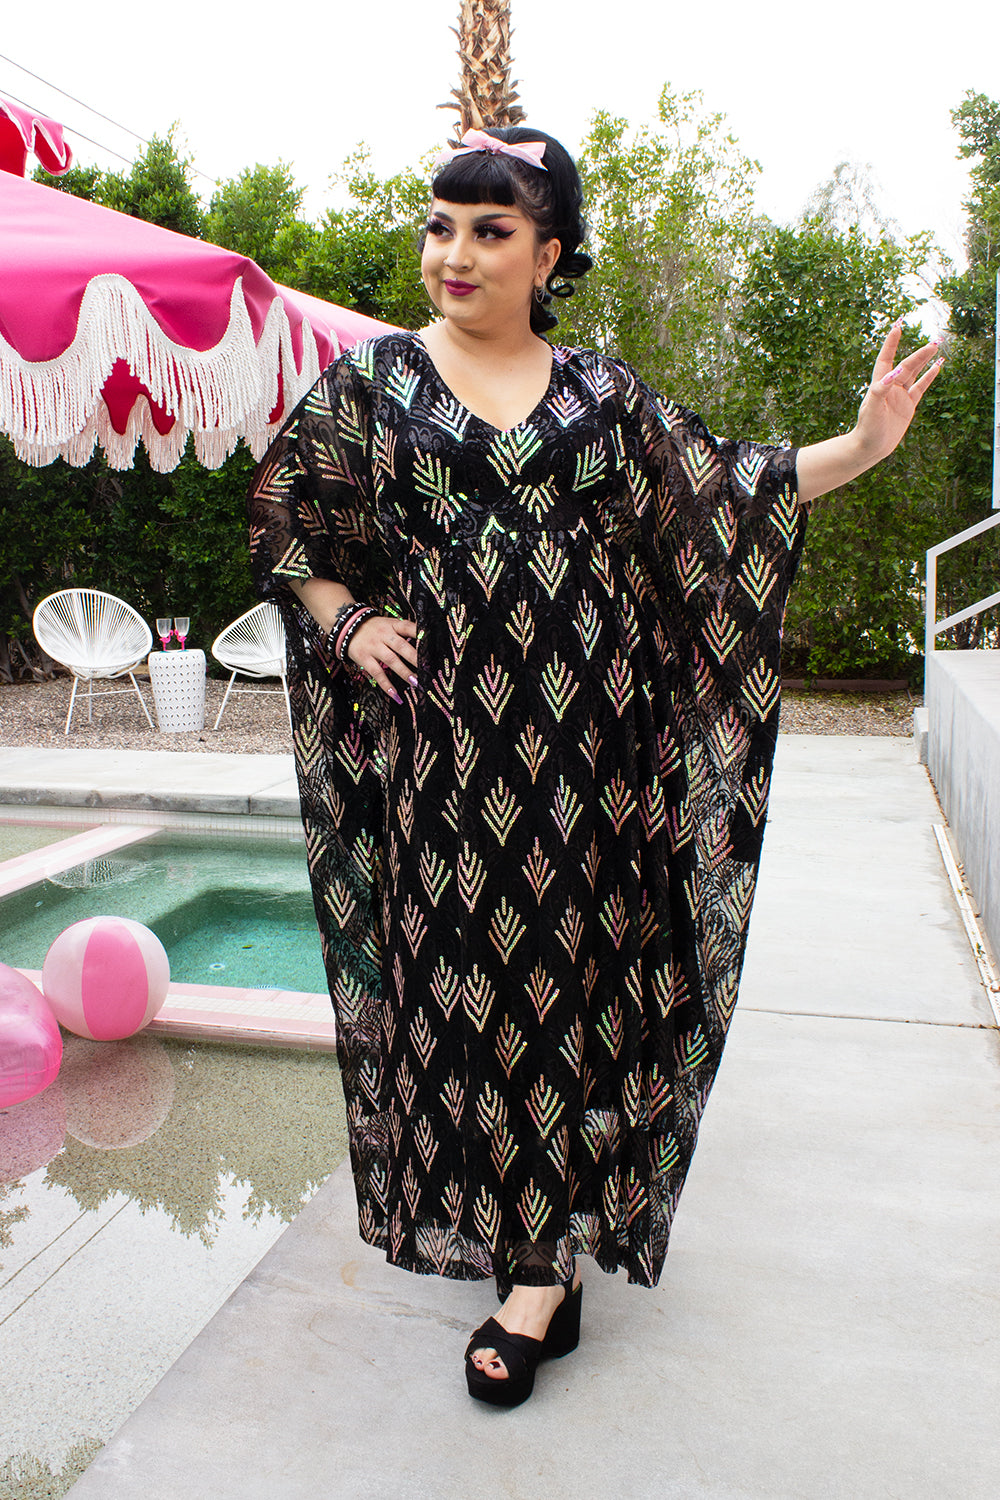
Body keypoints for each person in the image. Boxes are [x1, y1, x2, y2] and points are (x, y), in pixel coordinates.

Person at [247, 125, 941, 1408]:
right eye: (440, 226)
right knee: (461, 985)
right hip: (445, 755)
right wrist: (346, 624)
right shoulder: (373, 386)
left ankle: (538, 1271)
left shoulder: (602, 399)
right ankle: (525, 1231)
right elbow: (290, 520)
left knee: (567, 986)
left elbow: (724, 499)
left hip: (588, 757)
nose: (454, 253)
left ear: (548, 252)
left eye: (490, 230)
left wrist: (860, 447)